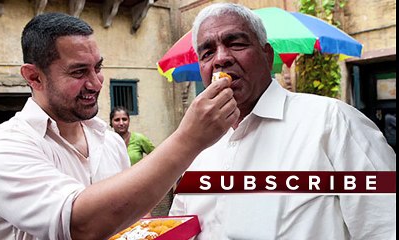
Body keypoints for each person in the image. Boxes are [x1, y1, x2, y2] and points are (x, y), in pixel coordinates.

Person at [0, 12, 239, 240]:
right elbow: (80, 224)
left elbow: (130, 216)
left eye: (97, 67)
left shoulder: (109, 141)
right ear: (34, 77)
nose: (96, 83)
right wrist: (189, 138)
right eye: (78, 72)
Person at [169, 3, 396, 240]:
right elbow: (178, 227)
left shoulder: (333, 122)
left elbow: (386, 227)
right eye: (207, 53)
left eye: (236, 43)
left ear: (267, 56)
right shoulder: (199, 147)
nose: (221, 58)